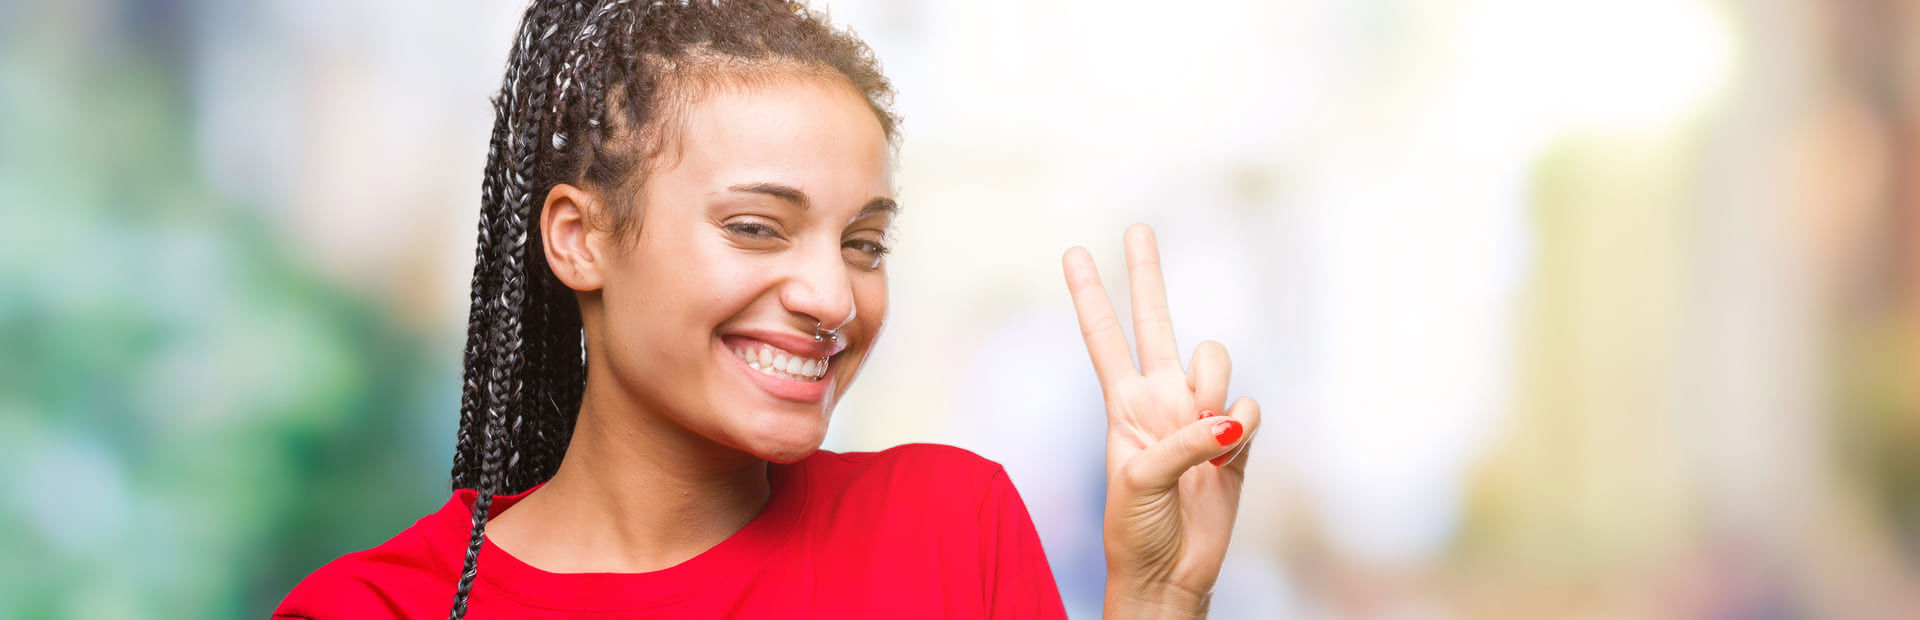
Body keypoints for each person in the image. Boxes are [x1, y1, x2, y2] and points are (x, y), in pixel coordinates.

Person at [273, 1, 1261, 618]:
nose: (833, 295)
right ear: (580, 236)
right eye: (756, 226)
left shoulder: (950, 530)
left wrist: (1160, 600)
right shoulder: (380, 608)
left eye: (863, 242)